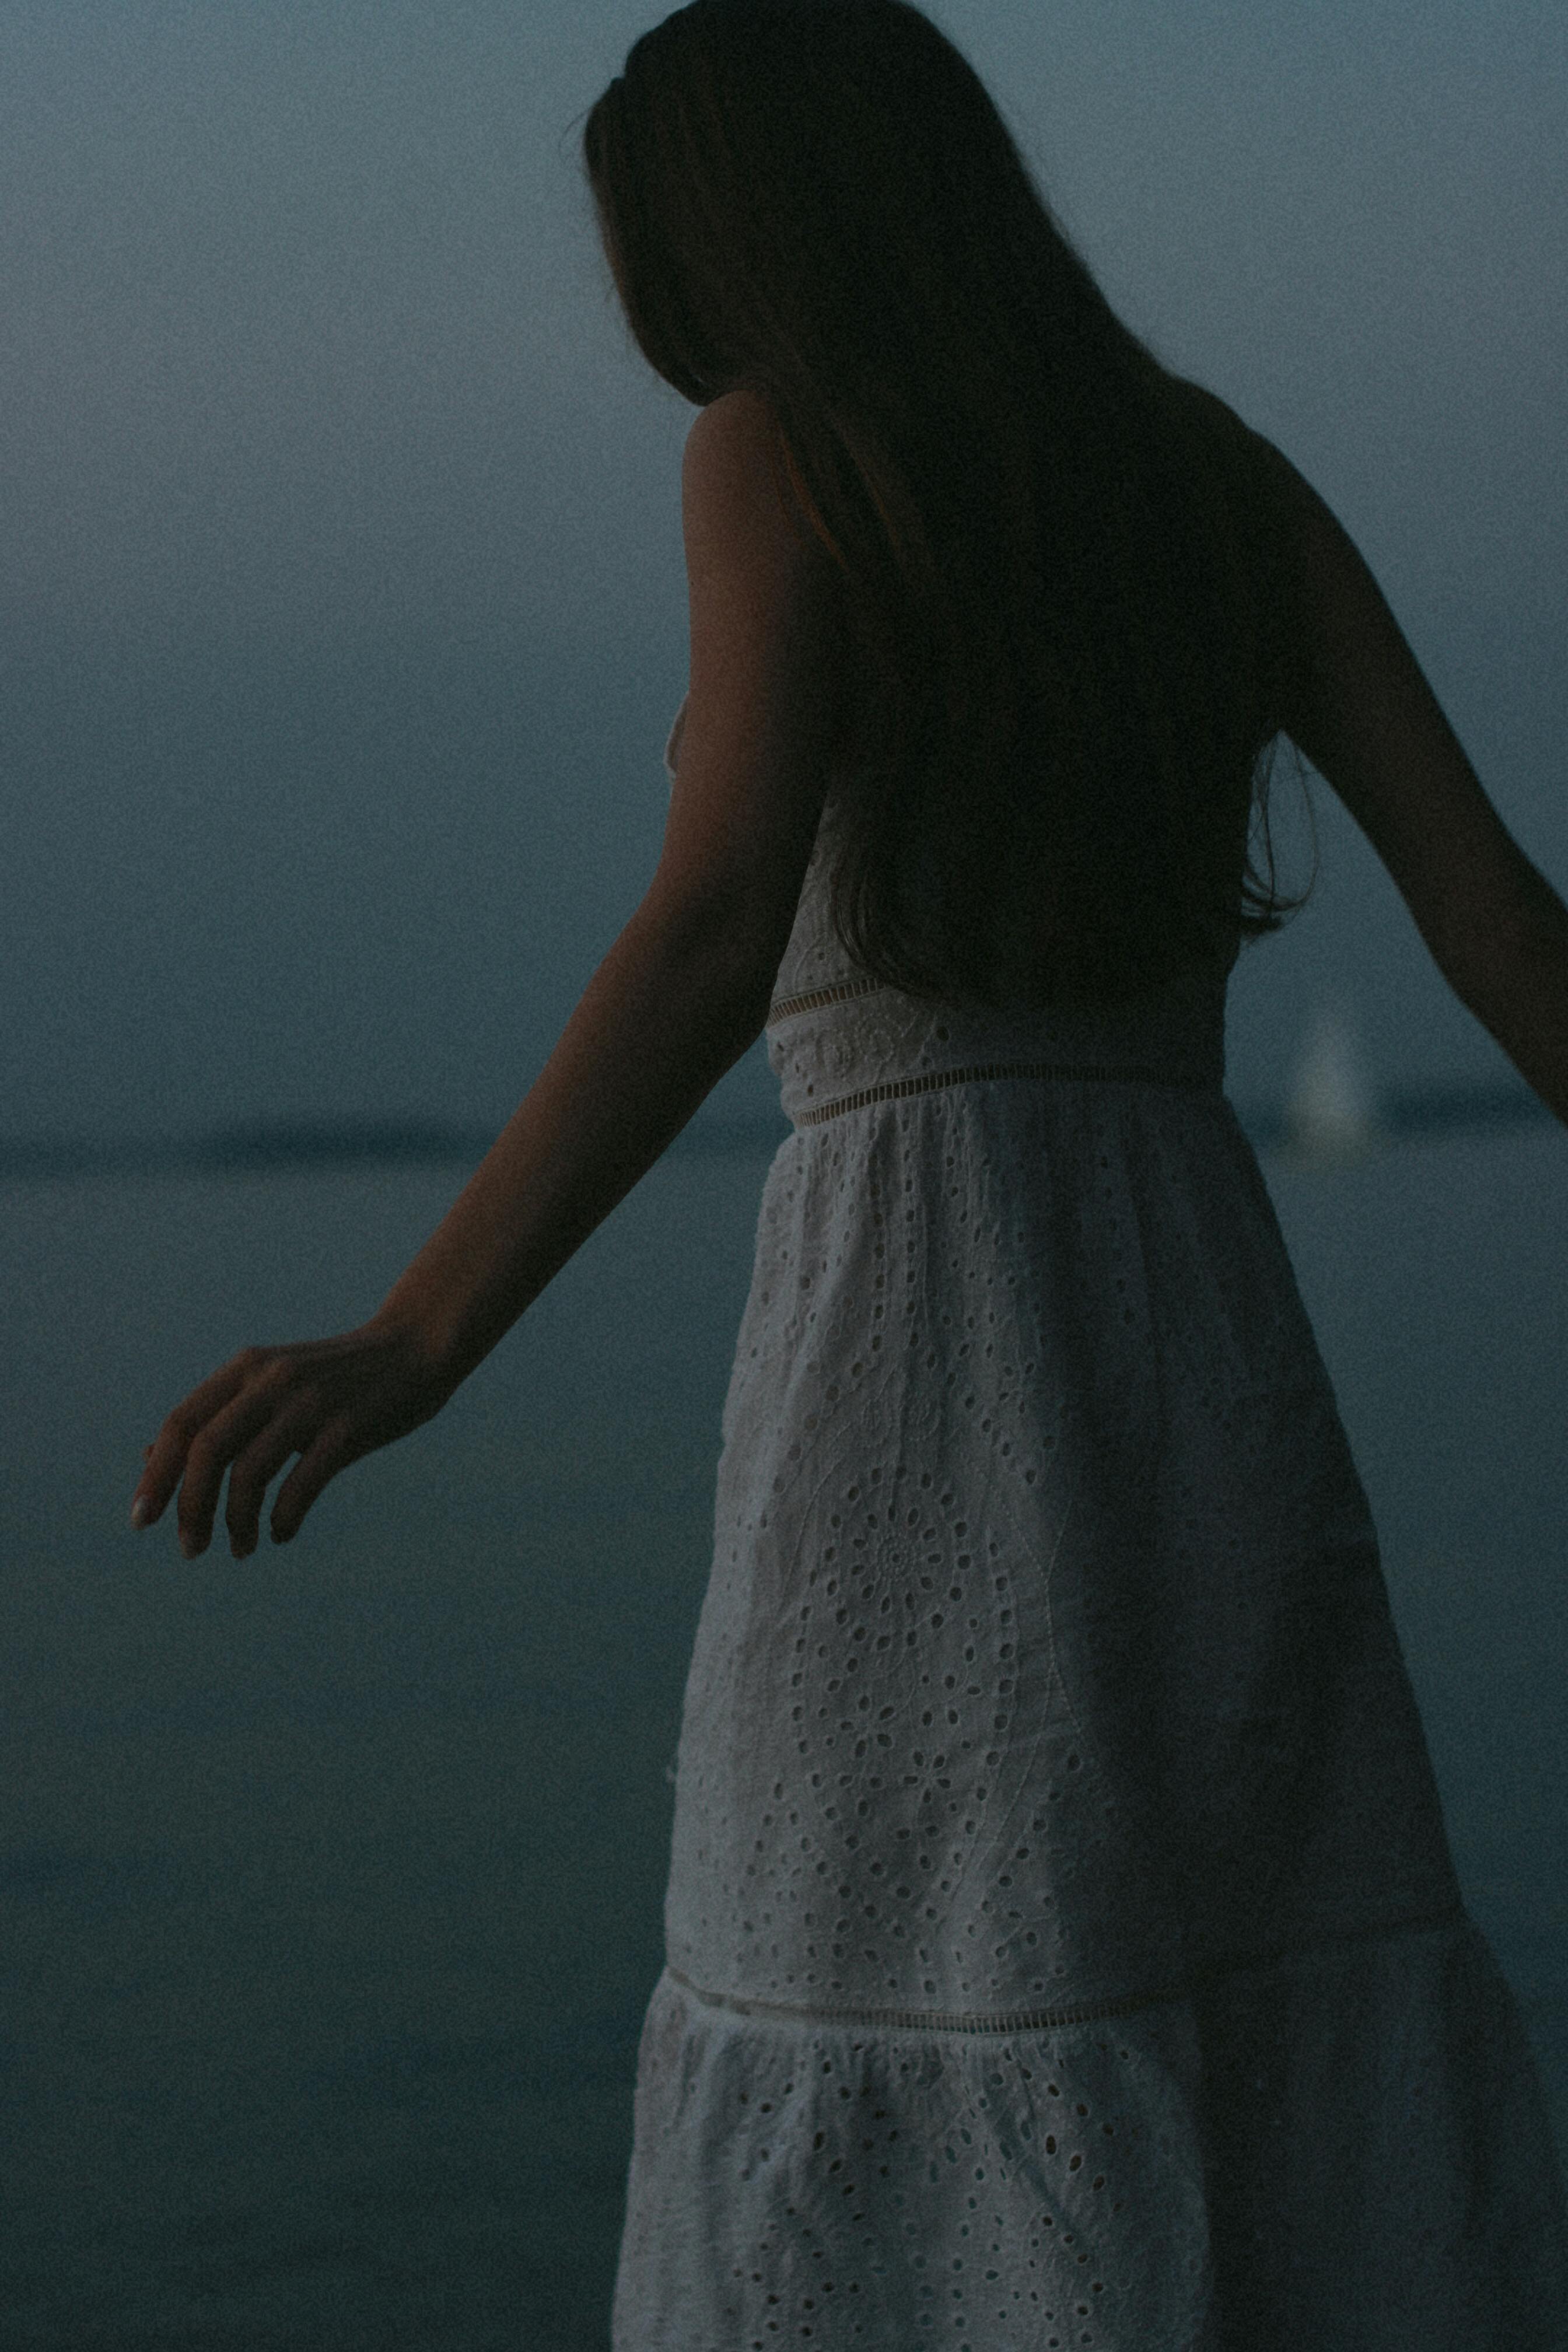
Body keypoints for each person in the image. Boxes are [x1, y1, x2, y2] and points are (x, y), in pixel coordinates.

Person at [131, 1, 1568, 2340]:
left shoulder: (773, 451)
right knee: (1240, 1987)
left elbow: (715, 922)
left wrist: (417, 1336)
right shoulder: (1211, 472)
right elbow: (1509, 931)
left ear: (749, 235)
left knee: (904, 2000)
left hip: (921, 1331)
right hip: (1198, 1343)